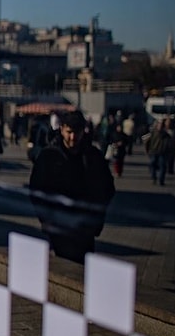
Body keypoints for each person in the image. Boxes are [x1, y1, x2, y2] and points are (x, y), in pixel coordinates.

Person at [29, 111, 115, 263]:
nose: (73, 137)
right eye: (69, 132)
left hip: (85, 227)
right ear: (62, 129)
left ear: (83, 131)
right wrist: (47, 219)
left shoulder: (93, 156)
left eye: (77, 132)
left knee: (82, 272)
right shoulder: (49, 156)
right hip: (59, 225)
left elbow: (107, 189)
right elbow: (37, 190)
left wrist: (95, 217)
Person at [144, 119, 172, 186]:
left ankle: (161, 180)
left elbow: (169, 144)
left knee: (162, 166)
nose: (160, 127)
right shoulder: (152, 133)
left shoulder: (166, 135)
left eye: (161, 126)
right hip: (153, 152)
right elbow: (145, 139)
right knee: (152, 165)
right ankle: (154, 177)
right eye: (159, 125)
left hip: (162, 152)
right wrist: (147, 149)